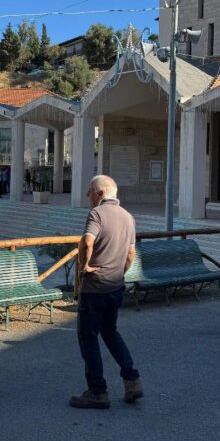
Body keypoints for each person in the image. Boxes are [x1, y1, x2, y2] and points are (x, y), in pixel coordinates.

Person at [69, 175, 142, 409]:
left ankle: (97, 392)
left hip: (95, 287)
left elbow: (86, 241)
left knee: (88, 337)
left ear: (100, 194)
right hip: (115, 285)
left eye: (89, 191)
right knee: (110, 333)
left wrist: (84, 267)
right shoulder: (128, 217)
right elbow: (131, 254)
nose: (87, 196)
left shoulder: (97, 214)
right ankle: (132, 381)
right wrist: (120, 271)